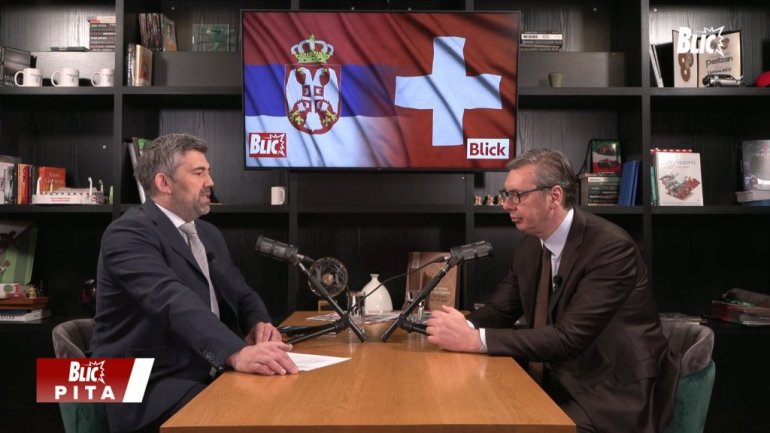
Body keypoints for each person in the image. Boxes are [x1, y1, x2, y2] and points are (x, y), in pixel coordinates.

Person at [426, 149, 679, 433]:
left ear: (554, 196)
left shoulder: (611, 248)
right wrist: (462, 327)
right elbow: (500, 310)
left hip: (607, 393)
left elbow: (569, 338)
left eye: (516, 195)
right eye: (506, 195)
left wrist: (475, 340)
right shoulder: (530, 245)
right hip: (554, 381)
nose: (506, 205)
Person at [91, 133, 298, 433]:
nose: (210, 182)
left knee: (281, 400)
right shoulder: (127, 234)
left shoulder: (207, 233)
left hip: (201, 369)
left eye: (208, 172)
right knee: (253, 417)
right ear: (164, 183)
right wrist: (235, 352)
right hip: (147, 383)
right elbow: (172, 301)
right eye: (199, 173)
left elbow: (241, 292)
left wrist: (258, 324)